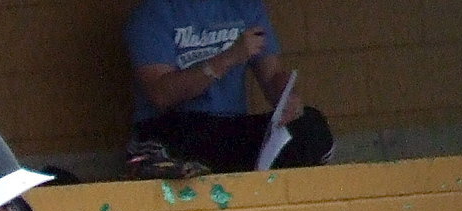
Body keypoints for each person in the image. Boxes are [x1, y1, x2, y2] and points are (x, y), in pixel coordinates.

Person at [123, 0, 334, 179]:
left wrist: (288, 98)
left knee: (310, 126)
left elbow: (272, 76)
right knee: (167, 141)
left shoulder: (244, 7)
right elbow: (161, 94)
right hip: (176, 126)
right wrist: (228, 58)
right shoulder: (153, 13)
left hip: (229, 129)